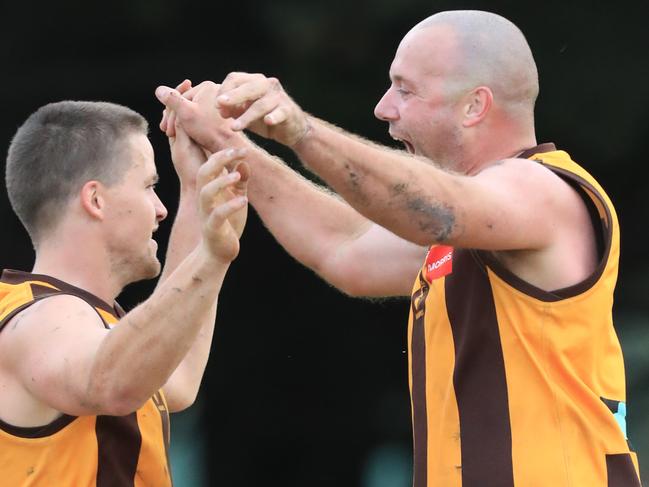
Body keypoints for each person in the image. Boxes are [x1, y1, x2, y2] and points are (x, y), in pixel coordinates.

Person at [155, 9, 640, 487]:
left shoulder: (542, 189)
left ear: (475, 106)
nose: (383, 108)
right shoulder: (473, 226)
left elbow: (434, 208)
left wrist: (299, 129)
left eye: (405, 90)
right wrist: (225, 144)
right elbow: (344, 248)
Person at [0, 99, 249, 485]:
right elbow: (110, 384)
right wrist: (209, 258)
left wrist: (198, 190)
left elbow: (175, 377)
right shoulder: (43, 319)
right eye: (149, 186)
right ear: (95, 200)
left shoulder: (81, 322)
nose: (160, 208)